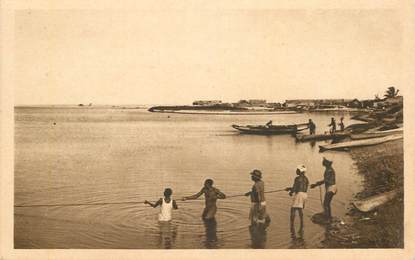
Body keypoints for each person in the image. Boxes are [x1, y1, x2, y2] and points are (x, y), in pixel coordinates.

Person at [285, 165, 309, 239]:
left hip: (299, 194)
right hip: (305, 195)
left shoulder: (297, 178)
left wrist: (291, 192)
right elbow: (301, 187)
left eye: (297, 169)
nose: (296, 170)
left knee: (293, 209)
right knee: (300, 209)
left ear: (300, 171)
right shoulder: (306, 179)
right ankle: (301, 223)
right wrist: (290, 188)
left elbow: (296, 188)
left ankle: (291, 225)